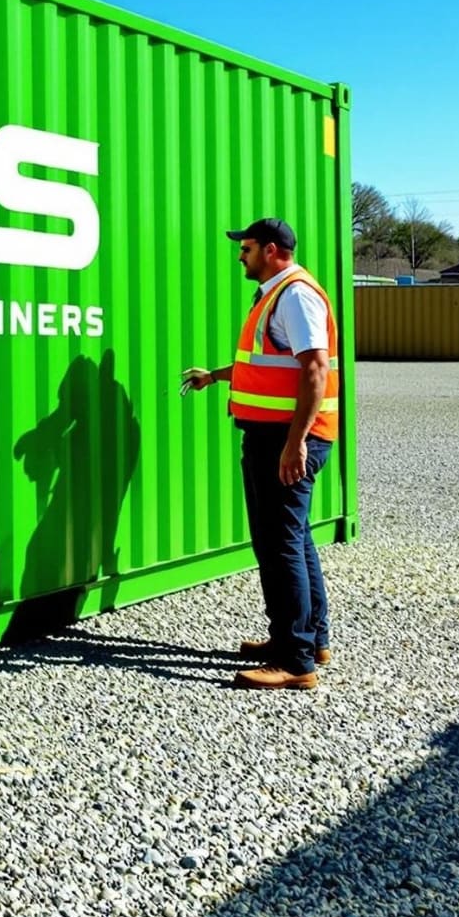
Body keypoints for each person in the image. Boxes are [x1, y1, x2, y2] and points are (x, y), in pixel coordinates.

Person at [179, 218, 340, 691]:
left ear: (271, 250)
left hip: (284, 440)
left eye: (246, 248)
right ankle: (310, 640)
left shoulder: (295, 295)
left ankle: (295, 661)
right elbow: (268, 364)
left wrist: (295, 443)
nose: (240, 256)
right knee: (295, 538)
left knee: (278, 544)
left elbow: (315, 369)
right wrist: (216, 376)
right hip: (281, 436)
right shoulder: (277, 294)